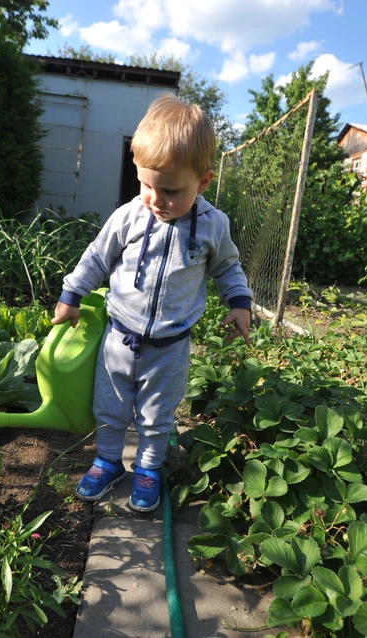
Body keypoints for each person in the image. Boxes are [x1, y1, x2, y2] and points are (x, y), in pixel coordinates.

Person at [51, 94, 253, 512]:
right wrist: (72, 294)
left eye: (170, 190)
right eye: (145, 184)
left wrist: (238, 302)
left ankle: (147, 467)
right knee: (109, 408)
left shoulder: (213, 226)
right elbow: (97, 256)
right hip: (119, 338)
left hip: (170, 347)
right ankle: (108, 461)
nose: (155, 198)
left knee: (157, 416)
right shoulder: (129, 216)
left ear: (203, 182)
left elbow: (228, 268)